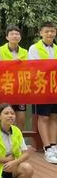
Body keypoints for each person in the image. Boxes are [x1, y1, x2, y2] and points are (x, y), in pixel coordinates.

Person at [28, 22, 57, 164]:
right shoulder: (34, 48)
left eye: (52, 31)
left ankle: (54, 145)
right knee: (43, 117)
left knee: (54, 117)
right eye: (47, 31)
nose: (50, 34)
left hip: (55, 88)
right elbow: (33, 67)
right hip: (41, 88)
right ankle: (47, 148)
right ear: (41, 33)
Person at [0, 26, 28, 130]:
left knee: (21, 119)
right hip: (5, 88)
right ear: (7, 37)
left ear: (20, 37)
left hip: (20, 89)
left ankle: (18, 142)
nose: (14, 36)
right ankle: (5, 141)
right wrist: (12, 65)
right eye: (12, 34)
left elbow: (30, 69)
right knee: (6, 116)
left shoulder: (25, 52)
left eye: (17, 34)